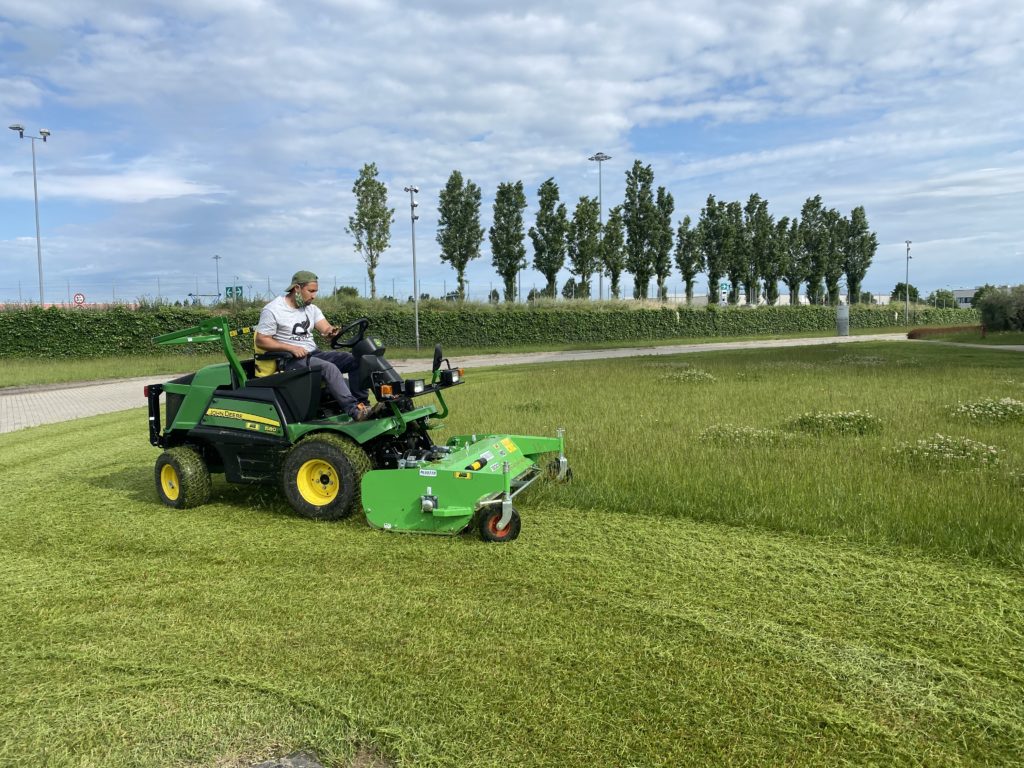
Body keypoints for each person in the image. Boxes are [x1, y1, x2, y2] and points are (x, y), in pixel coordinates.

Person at [255, 270, 372, 421]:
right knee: (329, 368)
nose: (314, 295)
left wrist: (331, 332)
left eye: (316, 291)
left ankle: (364, 404)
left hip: (314, 354)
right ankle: (354, 410)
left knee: (356, 360)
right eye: (311, 291)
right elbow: (262, 340)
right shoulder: (273, 309)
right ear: (297, 288)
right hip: (290, 361)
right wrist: (291, 348)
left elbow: (325, 328)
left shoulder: (311, 309)